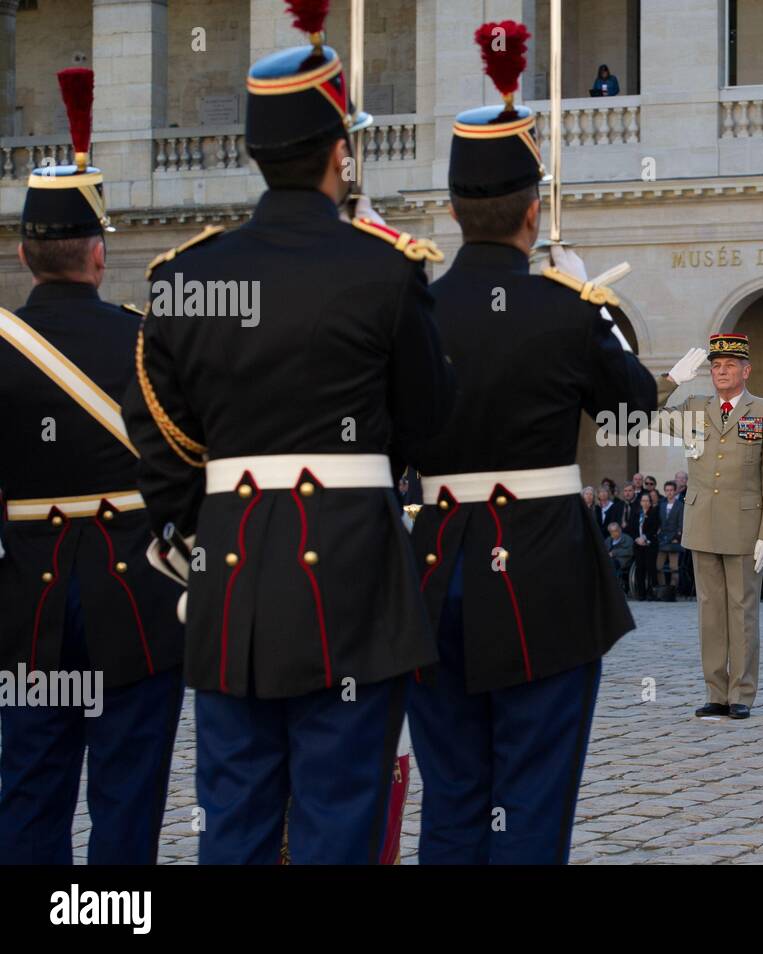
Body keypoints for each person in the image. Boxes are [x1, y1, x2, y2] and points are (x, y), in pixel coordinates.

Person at [123, 7, 455, 864]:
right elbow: (430, 421)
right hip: (353, 569)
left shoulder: (187, 275)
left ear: (254, 153)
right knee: (340, 809)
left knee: (233, 811)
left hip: (230, 569)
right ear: (340, 152)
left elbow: (155, 423)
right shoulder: (386, 268)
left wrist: (190, 529)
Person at [405, 19, 658, 865]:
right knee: (535, 802)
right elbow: (637, 399)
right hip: (544, 572)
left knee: (451, 800)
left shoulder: (412, 313)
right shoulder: (567, 308)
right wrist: (594, 298)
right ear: (534, 207)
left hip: (435, 566)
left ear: (451, 208)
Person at [0, 68, 185, 864]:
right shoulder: (149, 341)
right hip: (135, 606)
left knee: (30, 791)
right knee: (127, 797)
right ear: (100, 254)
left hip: (27, 611)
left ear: (23, 252)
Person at [657, 333, 763, 720]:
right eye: (715, 366)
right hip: (701, 523)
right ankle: (716, 691)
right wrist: (671, 381)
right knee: (710, 611)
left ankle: (742, 693)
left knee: (742, 609)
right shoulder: (694, 409)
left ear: (746, 370)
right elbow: (641, 413)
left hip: (745, 526)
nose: (721, 371)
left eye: (730, 365)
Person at [632, 493, 661, 600]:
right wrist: (637, 538)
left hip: (650, 544)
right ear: (640, 502)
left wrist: (644, 538)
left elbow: (654, 528)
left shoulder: (654, 513)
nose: (645, 502)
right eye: (643, 500)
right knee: (640, 569)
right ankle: (641, 594)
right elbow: (631, 529)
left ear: (650, 502)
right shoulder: (636, 514)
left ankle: (652, 593)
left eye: (647, 501)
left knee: (650, 568)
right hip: (638, 545)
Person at [658, 479, 685, 589]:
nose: (669, 492)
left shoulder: (680, 505)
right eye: (667, 490)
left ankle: (673, 589)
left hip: (674, 539)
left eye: (671, 490)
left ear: (675, 491)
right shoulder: (662, 504)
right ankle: (663, 587)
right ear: (664, 491)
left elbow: (681, 523)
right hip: (663, 538)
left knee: (674, 567)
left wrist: (677, 537)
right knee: (658, 566)